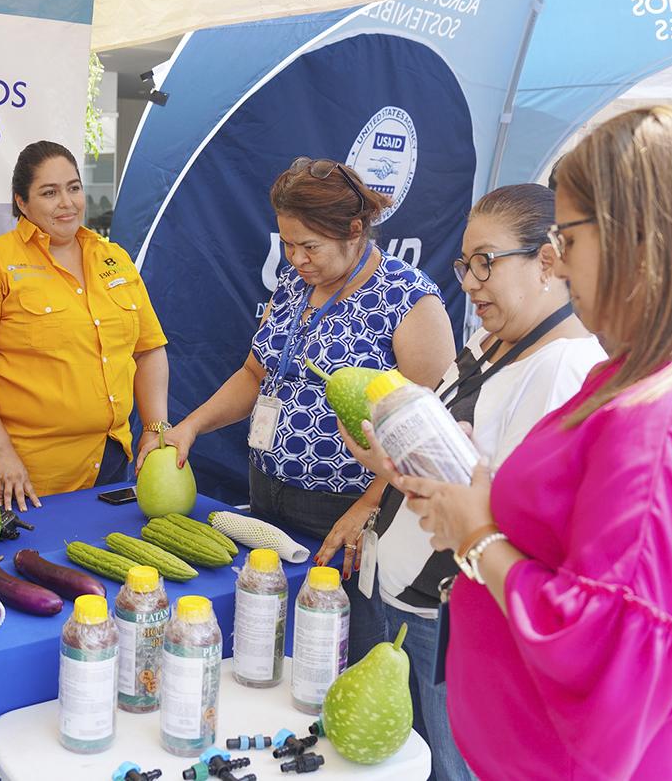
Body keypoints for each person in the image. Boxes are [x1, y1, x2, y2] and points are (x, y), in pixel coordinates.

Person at [395, 106, 672, 779]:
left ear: (638, 238)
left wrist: (477, 537)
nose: (560, 267)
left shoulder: (659, 420)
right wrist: (472, 508)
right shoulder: (630, 378)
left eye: (568, 240)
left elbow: (606, 650)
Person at [341, 183, 605, 781]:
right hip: (411, 603)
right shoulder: (491, 345)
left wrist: (403, 473)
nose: (469, 281)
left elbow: (514, 519)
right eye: (465, 263)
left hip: (458, 621)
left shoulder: (563, 368)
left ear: (547, 261)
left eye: (485, 261)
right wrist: (390, 465)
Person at [164, 157, 456, 661]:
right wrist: (191, 426)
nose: (297, 258)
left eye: (310, 246)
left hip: (347, 507)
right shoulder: (295, 288)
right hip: (269, 495)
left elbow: (426, 427)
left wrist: (369, 504)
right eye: (287, 244)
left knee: (342, 647)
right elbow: (256, 376)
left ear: (354, 229)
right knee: (273, 643)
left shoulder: (408, 300)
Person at [0, 140, 169, 511]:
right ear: (21, 202)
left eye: (73, 188)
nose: (67, 202)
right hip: (19, 476)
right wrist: (1, 453)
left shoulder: (114, 259)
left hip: (107, 465)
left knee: (98, 564)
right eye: (49, 192)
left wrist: (156, 429)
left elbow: (149, 349)